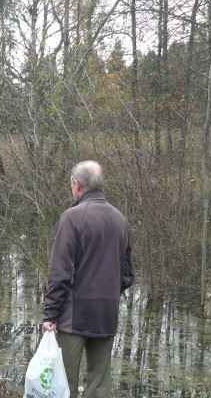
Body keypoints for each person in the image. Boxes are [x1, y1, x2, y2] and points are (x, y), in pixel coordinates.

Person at [42, 160, 134, 398]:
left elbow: (60, 273)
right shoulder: (120, 220)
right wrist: (107, 292)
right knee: (100, 385)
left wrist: (51, 315)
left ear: (77, 185)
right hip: (106, 315)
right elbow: (127, 276)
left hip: (74, 317)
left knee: (64, 384)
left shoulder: (72, 217)